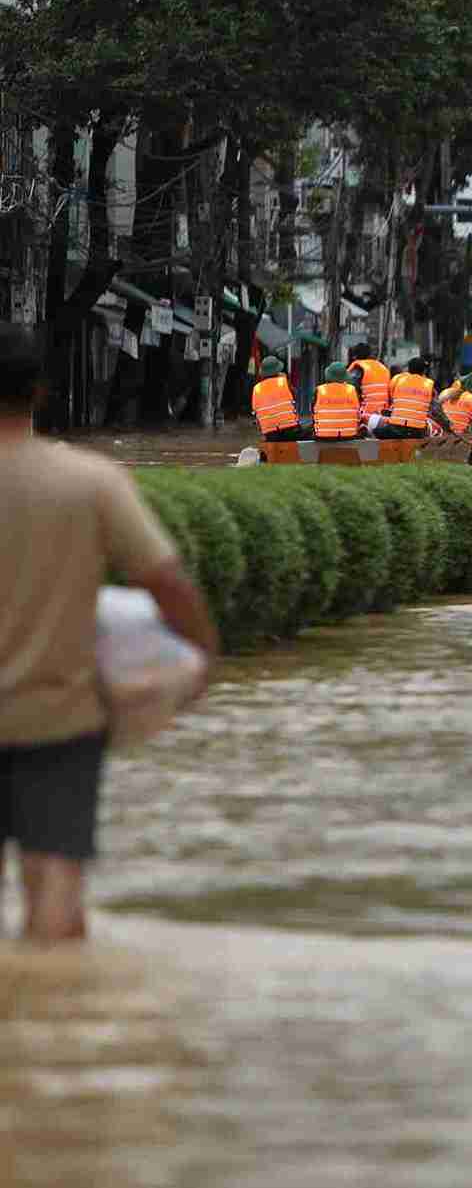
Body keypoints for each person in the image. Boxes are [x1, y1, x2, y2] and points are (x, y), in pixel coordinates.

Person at [0, 325, 218, 941]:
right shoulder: (90, 481)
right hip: (60, 720)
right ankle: (62, 1021)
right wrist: (204, 654)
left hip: (60, 720)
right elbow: (167, 581)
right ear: (40, 392)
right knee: (56, 893)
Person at [375, 354, 450, 440]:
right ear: (424, 371)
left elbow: (392, 401)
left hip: (396, 428)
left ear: (408, 370)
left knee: (376, 431)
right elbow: (437, 411)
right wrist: (448, 425)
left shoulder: (398, 380)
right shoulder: (429, 385)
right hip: (416, 431)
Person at [250, 356, 304, 443]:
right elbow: (294, 397)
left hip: (269, 434)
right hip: (290, 431)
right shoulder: (284, 382)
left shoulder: (257, 388)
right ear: (278, 371)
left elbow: (255, 411)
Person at [313, 362, 363, 441]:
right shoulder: (353, 390)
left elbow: (313, 413)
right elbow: (359, 412)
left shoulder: (319, 390)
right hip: (350, 436)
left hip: (323, 437)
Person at [346, 343, 392, 420]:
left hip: (366, 415)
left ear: (355, 356)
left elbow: (349, 390)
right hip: (384, 415)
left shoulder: (359, 368)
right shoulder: (383, 367)